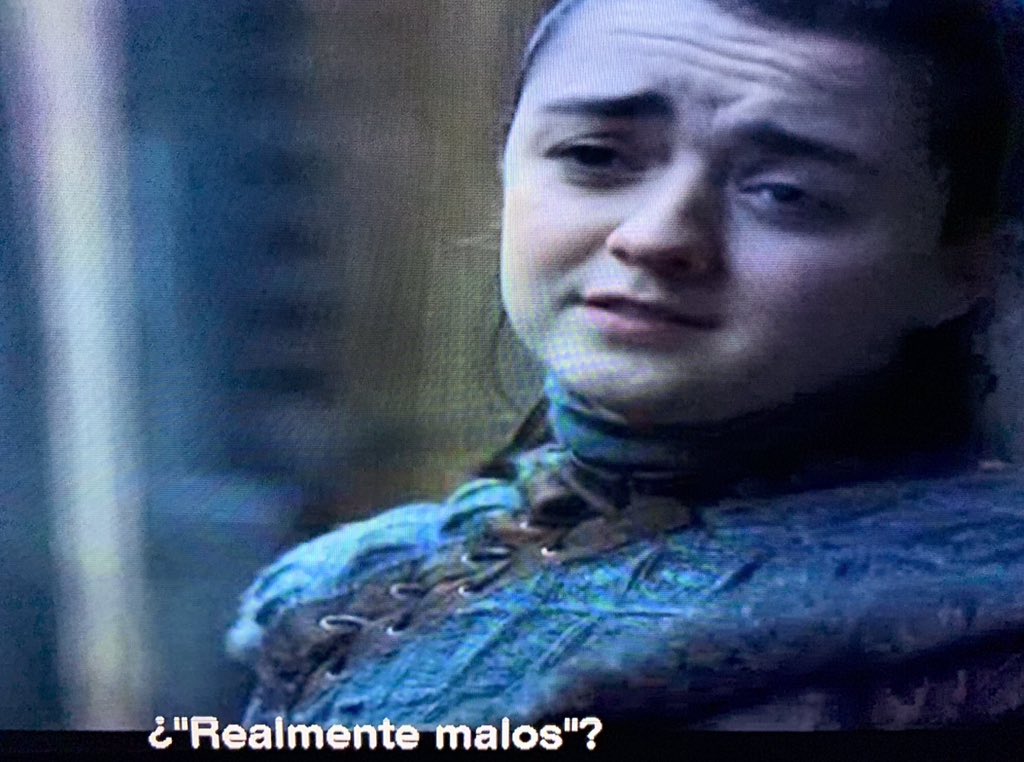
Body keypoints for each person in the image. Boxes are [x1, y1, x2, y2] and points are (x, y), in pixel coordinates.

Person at [227, 0, 1024, 730]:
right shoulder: (350, 587)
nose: (655, 236)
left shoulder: (977, 650)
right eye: (595, 156)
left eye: (785, 193)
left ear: (960, 265)